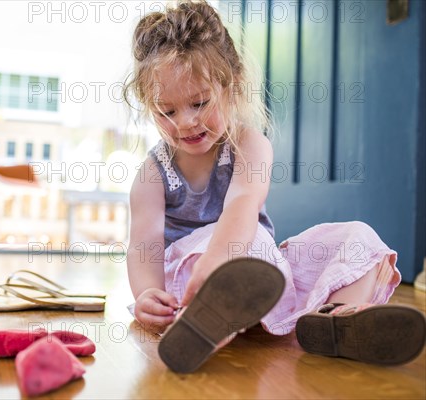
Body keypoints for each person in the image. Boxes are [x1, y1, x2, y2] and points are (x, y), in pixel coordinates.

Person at [124, 0, 425, 373]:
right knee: (244, 247)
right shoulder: (152, 175)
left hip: (262, 270)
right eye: (166, 111)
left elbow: (242, 206)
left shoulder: (249, 144)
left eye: (199, 102)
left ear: (231, 86)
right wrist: (147, 295)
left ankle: (337, 319)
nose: (185, 122)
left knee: (358, 237)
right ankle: (205, 324)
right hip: (191, 285)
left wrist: (223, 256)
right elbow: (145, 246)